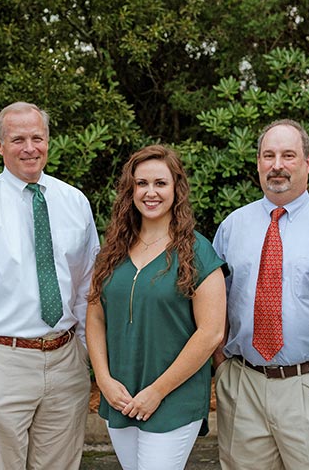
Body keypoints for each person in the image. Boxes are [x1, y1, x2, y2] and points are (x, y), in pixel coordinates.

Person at [0, 101, 100, 469]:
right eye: (18, 139)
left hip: (65, 361)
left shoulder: (74, 202)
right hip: (1, 362)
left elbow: (87, 284)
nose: (29, 148)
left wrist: (82, 353)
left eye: (37, 138)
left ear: (48, 141)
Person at [211, 120, 309, 469]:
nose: (277, 165)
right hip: (243, 385)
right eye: (268, 156)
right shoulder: (231, 227)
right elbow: (214, 304)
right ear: (258, 163)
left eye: (288, 155)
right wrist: (222, 366)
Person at [87, 145, 225, 470]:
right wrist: (104, 381)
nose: (150, 192)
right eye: (141, 183)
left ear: (176, 188)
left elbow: (211, 333)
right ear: (130, 190)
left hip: (173, 398)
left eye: (160, 183)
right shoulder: (113, 251)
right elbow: (95, 317)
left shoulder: (197, 251)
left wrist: (157, 391)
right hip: (121, 396)